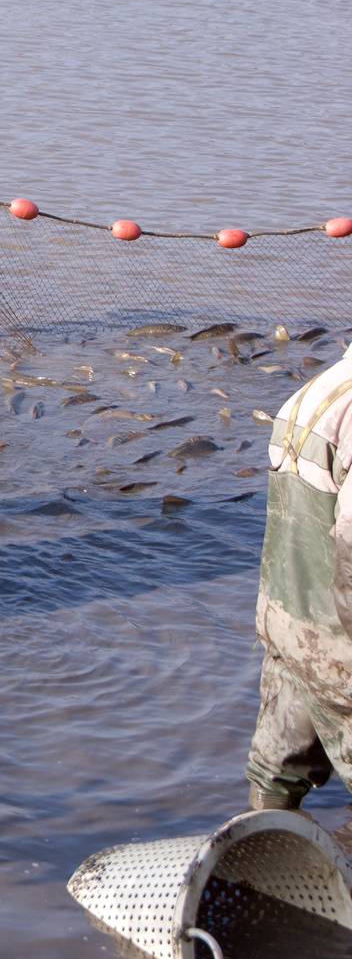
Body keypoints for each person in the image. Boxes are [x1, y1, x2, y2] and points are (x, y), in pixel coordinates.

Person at [245, 347, 352, 809]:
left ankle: (255, 865)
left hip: (286, 626)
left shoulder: (314, 392)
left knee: (274, 780)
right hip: (338, 647)